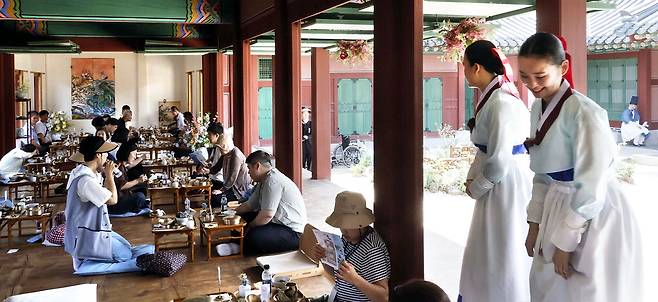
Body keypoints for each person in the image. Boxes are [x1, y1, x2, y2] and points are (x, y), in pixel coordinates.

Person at [519, 33, 643, 302]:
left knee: (584, 289)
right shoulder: (537, 109)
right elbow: (541, 172)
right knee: (546, 284)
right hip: (557, 198)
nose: (532, 85)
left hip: (592, 209)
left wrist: (566, 241)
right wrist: (534, 223)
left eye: (540, 76)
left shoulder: (585, 112)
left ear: (563, 68)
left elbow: (592, 182)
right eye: (525, 77)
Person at [458, 40, 531, 302]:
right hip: (499, 182)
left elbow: (499, 158)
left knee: (503, 247)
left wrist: (476, 187)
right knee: (491, 247)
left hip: (505, 183)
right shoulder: (494, 96)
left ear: (476, 67)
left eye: (465, 66)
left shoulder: (501, 102)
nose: (463, 71)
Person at [64, 136, 133, 271]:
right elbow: (113, 200)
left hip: (89, 228)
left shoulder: (81, 171)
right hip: (84, 235)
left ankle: (91, 254)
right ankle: (85, 259)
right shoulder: (85, 180)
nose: (107, 158)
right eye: (105, 154)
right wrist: (109, 175)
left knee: (127, 246)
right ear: (98, 155)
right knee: (125, 255)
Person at [311, 191, 390, 302]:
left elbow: (383, 297)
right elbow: (335, 274)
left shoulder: (372, 250)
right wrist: (324, 258)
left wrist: (355, 279)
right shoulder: (347, 239)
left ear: (360, 223)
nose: (343, 231)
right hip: (337, 297)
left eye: (348, 225)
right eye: (341, 225)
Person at [235, 150, 307, 255]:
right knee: (241, 218)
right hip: (277, 224)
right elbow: (249, 205)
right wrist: (232, 213)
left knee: (254, 237)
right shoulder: (263, 180)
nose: (249, 173)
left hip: (293, 232)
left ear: (257, 166)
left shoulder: (272, 181)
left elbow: (266, 216)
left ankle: (241, 247)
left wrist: (250, 226)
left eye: (249, 168)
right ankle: (240, 245)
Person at [206, 124, 252, 207]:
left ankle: (219, 218)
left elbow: (232, 177)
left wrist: (222, 190)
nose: (220, 150)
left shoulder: (236, 155)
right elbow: (216, 168)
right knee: (212, 192)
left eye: (221, 147)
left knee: (216, 198)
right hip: (229, 187)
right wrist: (207, 170)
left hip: (238, 191)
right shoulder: (225, 154)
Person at [107, 140, 149, 215]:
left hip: (121, 197)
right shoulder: (117, 167)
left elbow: (129, 166)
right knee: (139, 196)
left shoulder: (122, 165)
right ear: (127, 153)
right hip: (115, 204)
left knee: (142, 188)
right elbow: (122, 186)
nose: (135, 157)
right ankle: (144, 211)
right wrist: (138, 180)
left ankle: (141, 208)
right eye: (133, 154)